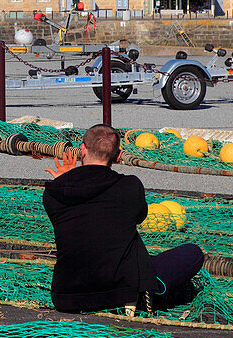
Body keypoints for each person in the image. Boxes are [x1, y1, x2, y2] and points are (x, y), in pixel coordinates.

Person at [43, 124, 204, 313]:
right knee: (193, 253)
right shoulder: (130, 187)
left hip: (67, 297)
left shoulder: (53, 194)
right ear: (118, 157)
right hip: (121, 295)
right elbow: (138, 216)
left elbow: (80, 222)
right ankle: (151, 292)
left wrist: (66, 179)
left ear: (83, 150)